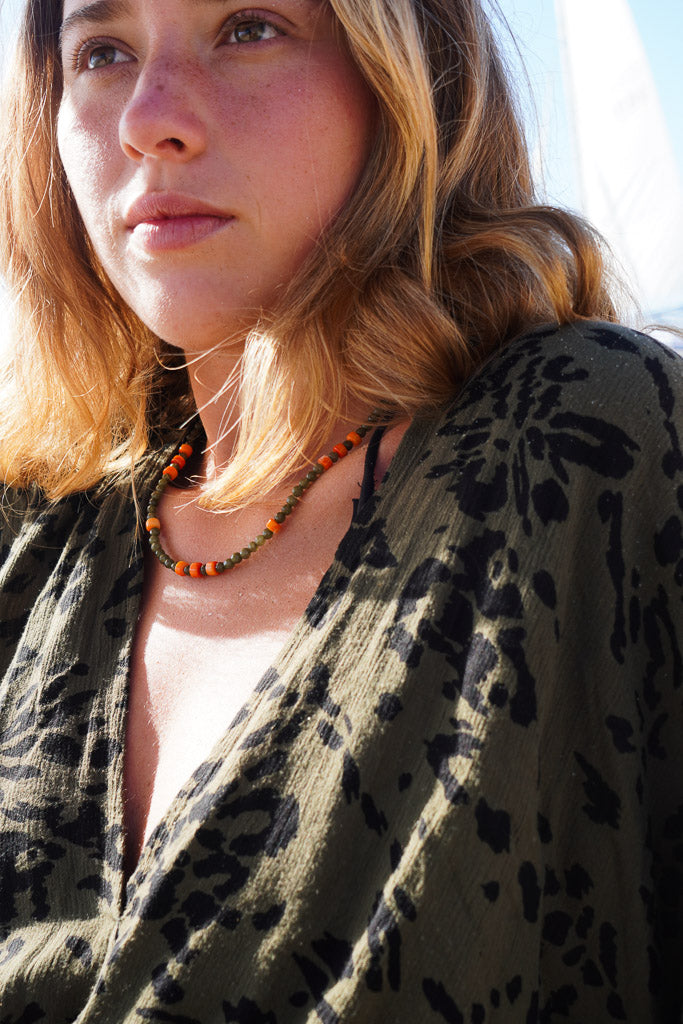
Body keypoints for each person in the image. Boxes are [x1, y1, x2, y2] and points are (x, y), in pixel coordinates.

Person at [0, 0, 681, 1019]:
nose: (149, 117)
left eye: (248, 27)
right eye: (102, 52)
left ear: (403, 77)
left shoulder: (588, 444)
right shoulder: (39, 526)